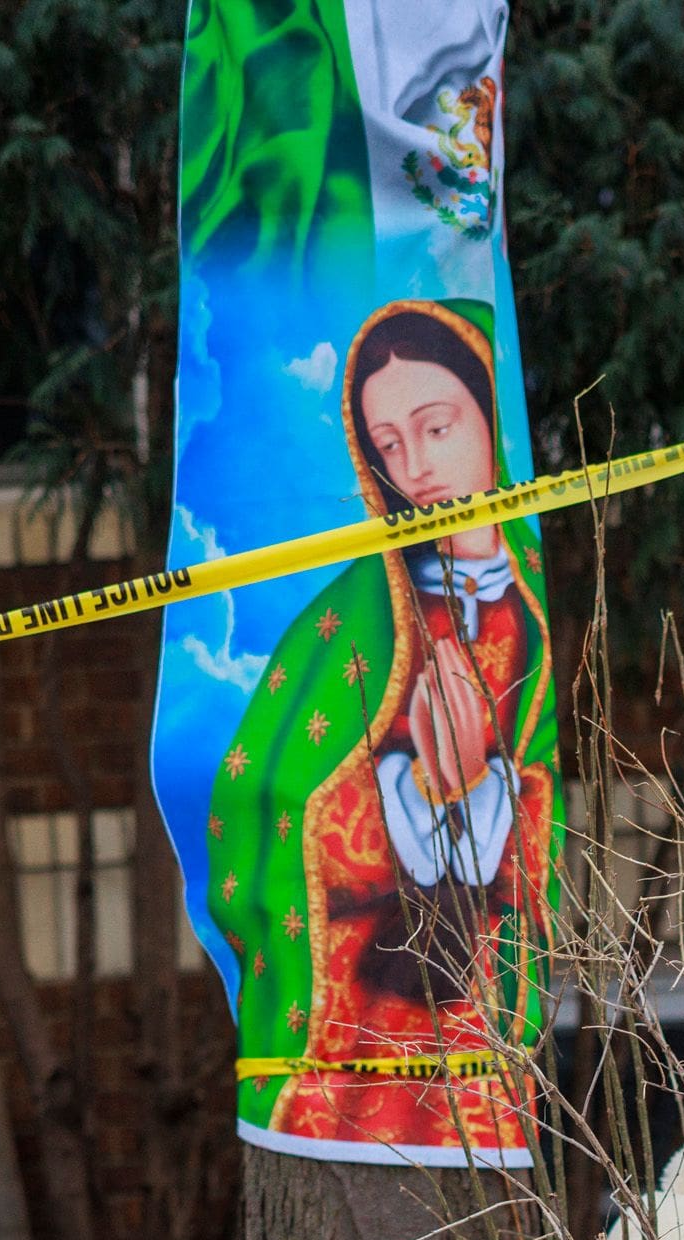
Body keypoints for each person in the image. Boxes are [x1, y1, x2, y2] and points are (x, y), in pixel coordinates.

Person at [205, 297, 558, 1163]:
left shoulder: (532, 619)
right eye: (388, 446)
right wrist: (421, 791)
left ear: (491, 419)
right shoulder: (351, 624)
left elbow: (542, 807)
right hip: (358, 1046)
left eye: (437, 428)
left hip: (479, 1044)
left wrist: (479, 788)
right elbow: (274, 798)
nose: (418, 468)